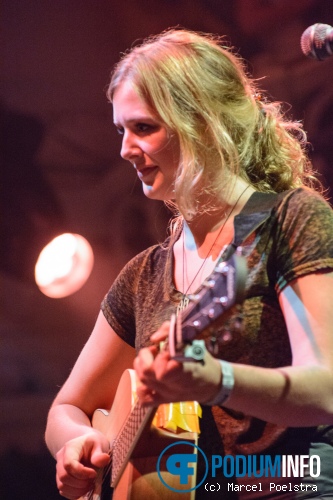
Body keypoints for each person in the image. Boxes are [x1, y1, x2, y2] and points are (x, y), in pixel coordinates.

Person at [45, 28, 333, 499]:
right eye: (122, 130)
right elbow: (65, 408)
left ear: (203, 123)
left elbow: (326, 391)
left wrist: (216, 379)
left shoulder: (290, 219)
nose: (124, 149)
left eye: (143, 128)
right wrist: (79, 443)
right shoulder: (144, 276)